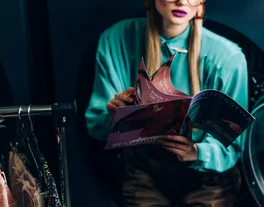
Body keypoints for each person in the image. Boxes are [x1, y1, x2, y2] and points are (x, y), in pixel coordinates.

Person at [85, 0, 248, 206]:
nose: (181, 1)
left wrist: (196, 152)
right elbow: (96, 127)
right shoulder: (115, 40)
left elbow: (233, 144)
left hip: (209, 177)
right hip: (143, 170)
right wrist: (114, 117)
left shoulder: (228, 58)